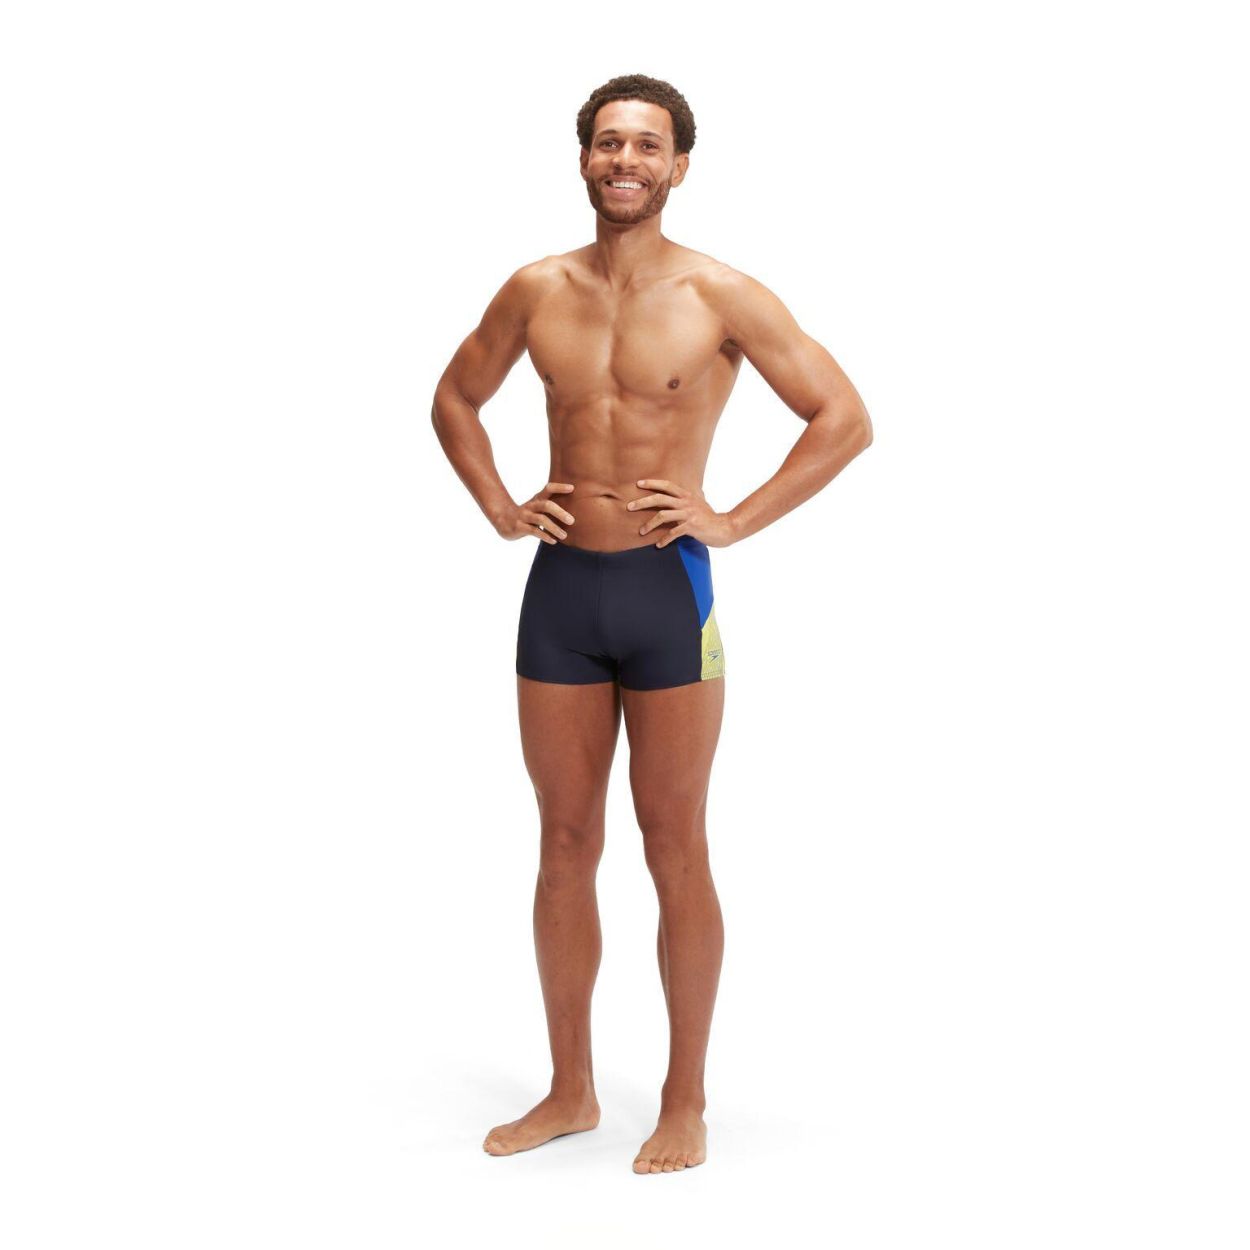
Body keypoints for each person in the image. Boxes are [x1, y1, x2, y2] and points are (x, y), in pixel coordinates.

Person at [431, 73, 872, 1175]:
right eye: (608, 142)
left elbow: (843, 417)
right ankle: (570, 1089)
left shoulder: (721, 293)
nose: (625, 160)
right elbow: (453, 397)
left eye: (647, 145)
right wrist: (499, 506)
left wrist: (731, 519)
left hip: (669, 592)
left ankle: (684, 1100)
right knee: (563, 842)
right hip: (559, 596)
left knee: (675, 843)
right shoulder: (536, 288)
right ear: (584, 158)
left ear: (679, 166)